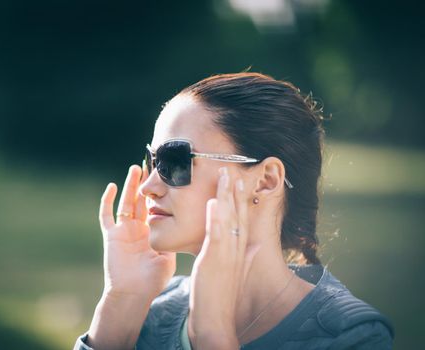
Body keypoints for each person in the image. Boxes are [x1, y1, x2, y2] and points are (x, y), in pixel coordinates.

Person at [73, 72, 394, 349]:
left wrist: (212, 334)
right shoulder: (146, 308)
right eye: (153, 161)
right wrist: (122, 304)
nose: (148, 187)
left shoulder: (348, 336)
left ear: (266, 181)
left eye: (174, 161)